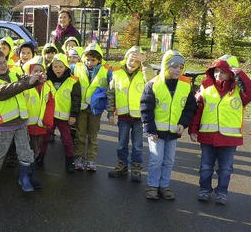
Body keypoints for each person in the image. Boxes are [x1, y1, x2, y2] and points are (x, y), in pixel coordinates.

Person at [0, 47, 46, 192]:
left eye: (4, 61)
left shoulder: (14, 73)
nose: (3, 65)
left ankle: (25, 178)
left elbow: (25, 80)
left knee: (26, 152)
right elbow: (5, 90)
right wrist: (27, 83)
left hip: (21, 122)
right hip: (4, 125)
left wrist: (36, 80)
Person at [189, 55, 251, 205]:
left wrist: (240, 73)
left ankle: (221, 192)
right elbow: (199, 111)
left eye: (222, 71)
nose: (218, 75)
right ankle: (204, 189)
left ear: (231, 73)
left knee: (225, 169)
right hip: (208, 137)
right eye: (216, 71)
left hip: (229, 139)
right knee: (205, 167)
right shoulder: (206, 88)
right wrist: (193, 129)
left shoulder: (239, 92)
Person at [140, 50, 196, 200]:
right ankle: (152, 186)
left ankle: (164, 186)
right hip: (156, 132)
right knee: (156, 160)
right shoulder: (153, 85)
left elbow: (190, 107)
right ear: (165, 66)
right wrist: (150, 129)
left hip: (173, 133)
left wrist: (183, 124)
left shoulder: (185, 86)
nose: (177, 70)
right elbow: (146, 108)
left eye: (180, 67)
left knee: (169, 160)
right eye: (174, 66)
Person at [106, 46, 154, 182]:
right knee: (121, 143)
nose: (132, 63)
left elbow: (151, 80)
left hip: (140, 117)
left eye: (136, 62)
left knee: (138, 145)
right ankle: (121, 166)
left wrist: (145, 63)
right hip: (123, 116)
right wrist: (110, 112)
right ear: (126, 59)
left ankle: (136, 169)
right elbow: (111, 94)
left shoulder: (144, 74)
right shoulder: (117, 74)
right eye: (130, 60)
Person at [72, 43, 112, 171]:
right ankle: (78, 158)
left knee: (93, 136)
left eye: (93, 60)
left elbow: (111, 89)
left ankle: (91, 160)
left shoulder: (106, 70)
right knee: (80, 135)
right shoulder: (77, 67)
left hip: (96, 109)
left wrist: (110, 109)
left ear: (99, 59)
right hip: (82, 108)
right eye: (87, 59)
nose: (89, 62)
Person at [39, 53, 81, 172]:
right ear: (51, 67)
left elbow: (76, 99)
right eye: (55, 66)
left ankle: (69, 162)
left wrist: (73, 115)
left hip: (64, 117)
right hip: (49, 116)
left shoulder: (73, 81)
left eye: (61, 67)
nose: (58, 69)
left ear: (66, 67)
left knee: (67, 140)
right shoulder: (46, 80)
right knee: (45, 138)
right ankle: (40, 158)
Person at [23, 56, 54, 181]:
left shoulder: (47, 86)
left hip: (41, 125)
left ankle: (30, 173)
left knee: (37, 150)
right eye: (35, 71)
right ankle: (29, 175)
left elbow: (50, 105)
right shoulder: (25, 87)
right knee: (31, 151)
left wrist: (48, 122)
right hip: (27, 125)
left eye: (41, 71)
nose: (39, 73)